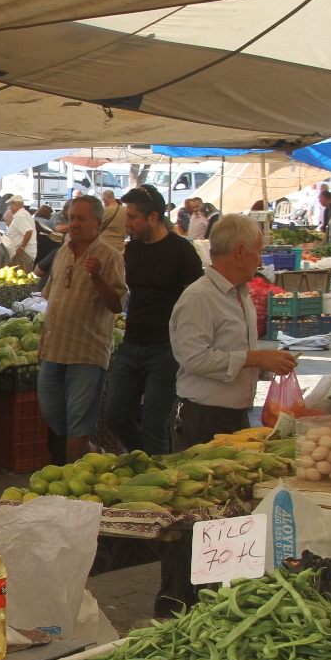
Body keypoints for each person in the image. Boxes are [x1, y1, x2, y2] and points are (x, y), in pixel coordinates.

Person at [168, 213, 298, 449]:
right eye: (258, 252)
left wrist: (267, 364)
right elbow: (194, 359)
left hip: (236, 416)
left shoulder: (241, 294)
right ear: (239, 252)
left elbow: (236, 353)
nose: (260, 261)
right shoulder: (199, 297)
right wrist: (256, 358)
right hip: (203, 419)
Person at [103, 185, 203, 457]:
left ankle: (159, 476)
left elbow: (197, 300)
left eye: (133, 217)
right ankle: (146, 459)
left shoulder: (181, 251)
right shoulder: (133, 249)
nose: (128, 224)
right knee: (115, 414)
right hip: (132, 342)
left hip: (165, 348)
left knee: (155, 423)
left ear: (154, 217)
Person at [38, 195, 126, 462]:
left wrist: (98, 276)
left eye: (81, 218)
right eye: (72, 217)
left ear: (97, 223)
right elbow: (51, 300)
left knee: (79, 421)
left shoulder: (109, 256)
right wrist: (42, 342)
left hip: (87, 353)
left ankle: (71, 478)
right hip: (54, 350)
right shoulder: (63, 251)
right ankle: (90, 452)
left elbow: (116, 305)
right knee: (52, 412)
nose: (74, 223)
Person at [1, 196, 37, 271]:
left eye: (10, 205)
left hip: (23, 254)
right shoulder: (23, 214)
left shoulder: (20, 216)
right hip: (23, 253)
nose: (10, 208)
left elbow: (28, 231)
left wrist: (21, 248)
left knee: (21, 277)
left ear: (15, 205)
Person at [97, 189, 127, 256]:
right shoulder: (125, 210)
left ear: (104, 200)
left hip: (105, 246)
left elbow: (97, 227)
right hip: (120, 246)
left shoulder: (106, 211)